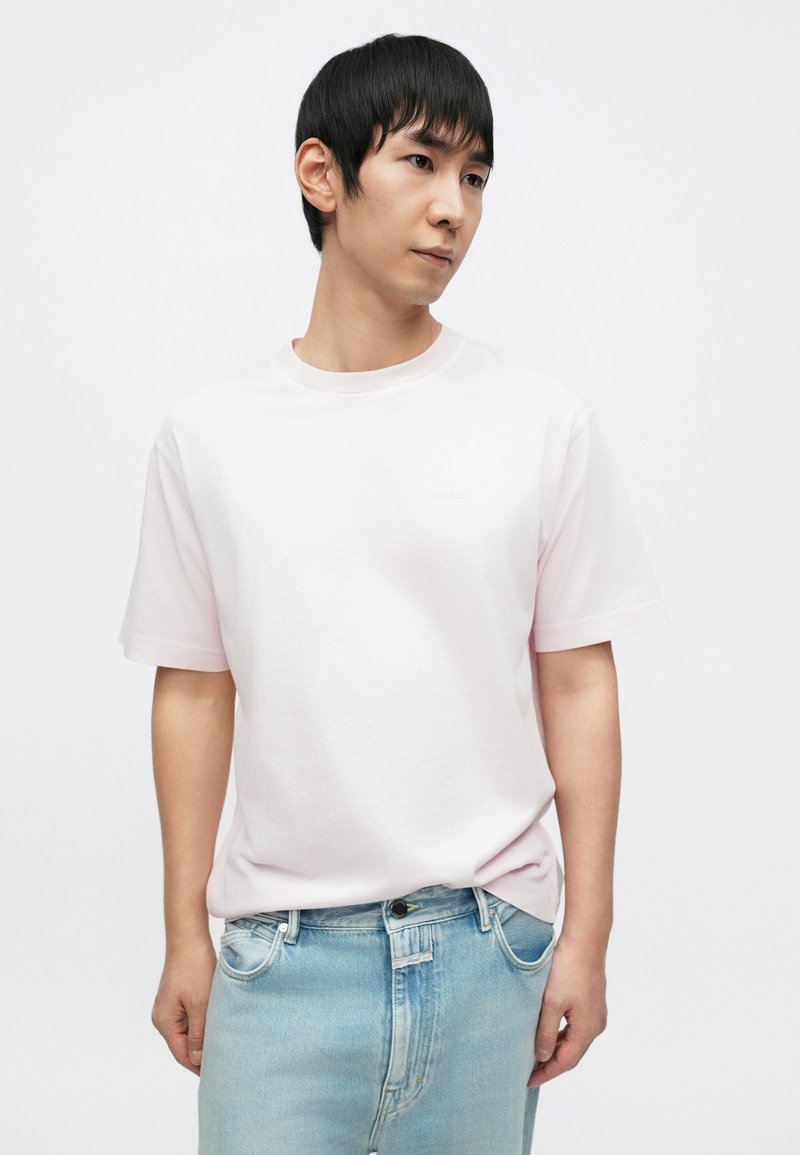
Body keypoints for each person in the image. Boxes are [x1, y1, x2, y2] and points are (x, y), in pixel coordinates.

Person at [119, 32, 668, 1154]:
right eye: (420, 162)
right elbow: (194, 690)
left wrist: (586, 937)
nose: (453, 207)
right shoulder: (209, 436)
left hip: (487, 950)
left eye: (475, 175)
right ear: (321, 173)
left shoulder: (539, 421)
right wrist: (183, 932)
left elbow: (578, 683)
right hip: (280, 959)